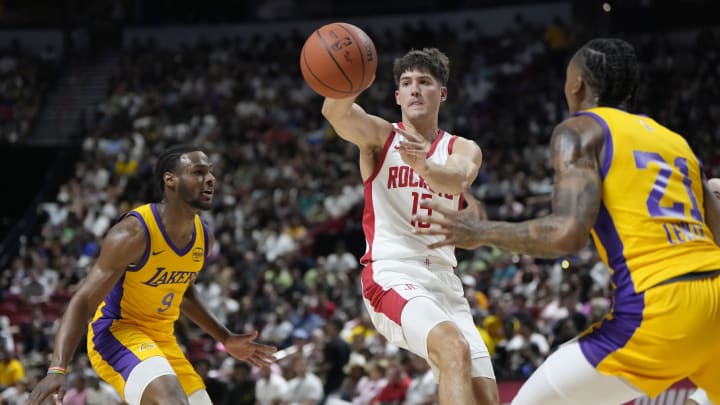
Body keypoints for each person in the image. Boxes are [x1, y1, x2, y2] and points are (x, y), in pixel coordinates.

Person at [413, 38, 720, 405]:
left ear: (577, 85)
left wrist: (481, 232)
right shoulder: (676, 142)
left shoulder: (581, 129)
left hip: (662, 306)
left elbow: (568, 234)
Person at [26, 144, 278, 405]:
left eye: (211, 173)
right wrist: (57, 368)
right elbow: (83, 300)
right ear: (170, 180)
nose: (211, 179)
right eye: (199, 172)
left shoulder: (204, 237)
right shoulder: (133, 233)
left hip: (162, 339)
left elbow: (184, 292)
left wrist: (225, 337)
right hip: (117, 333)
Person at [321, 47, 498, 404]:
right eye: (406, 82)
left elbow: (457, 180)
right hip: (392, 273)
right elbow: (334, 112)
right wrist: (353, 80)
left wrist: (425, 167)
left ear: (442, 93)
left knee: (485, 397)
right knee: (452, 347)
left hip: (446, 284)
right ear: (397, 96)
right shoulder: (379, 137)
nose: (415, 89)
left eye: (425, 82)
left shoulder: (462, 147)